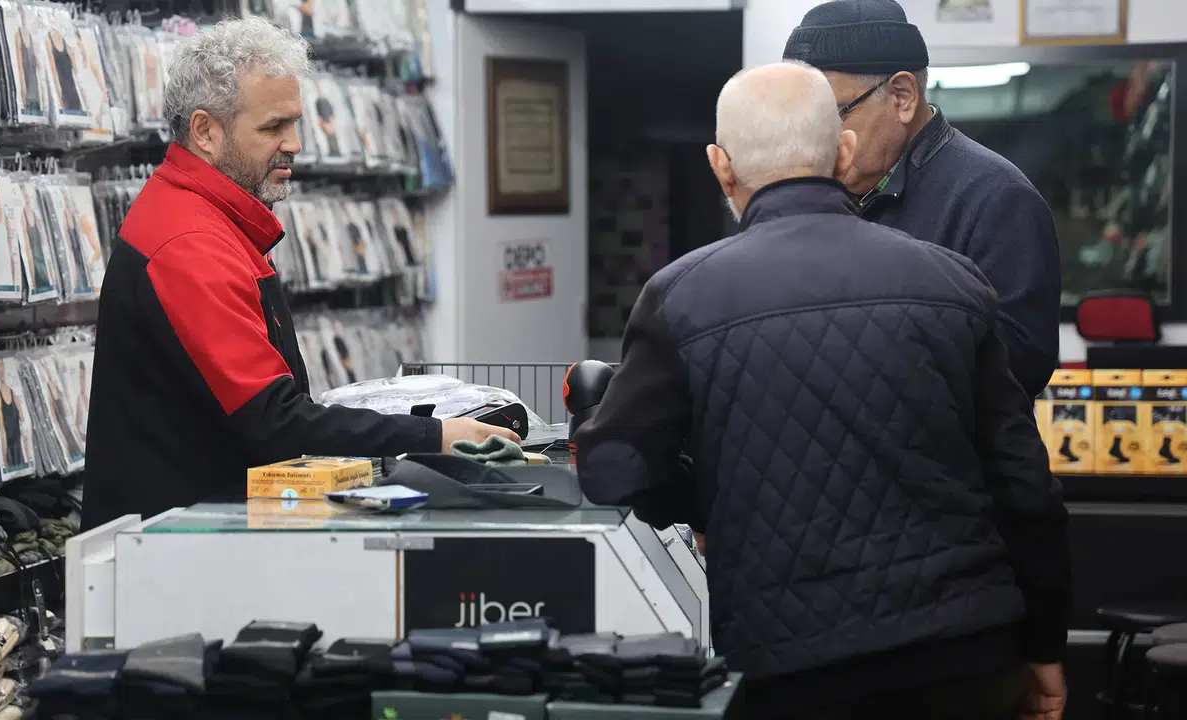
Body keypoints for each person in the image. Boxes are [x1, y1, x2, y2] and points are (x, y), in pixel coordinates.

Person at [573, 62, 1071, 720]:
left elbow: (611, 470)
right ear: (842, 151)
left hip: (795, 669)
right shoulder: (955, 281)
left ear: (722, 166)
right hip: (969, 652)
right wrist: (1044, 645)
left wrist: (706, 501)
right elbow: (1024, 485)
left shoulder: (680, 297)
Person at [82, 17, 514, 530]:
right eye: (272, 127)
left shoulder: (205, 223)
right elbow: (273, 422)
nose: (295, 144)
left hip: (189, 533)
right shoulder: (190, 244)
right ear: (205, 131)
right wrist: (433, 437)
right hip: (176, 543)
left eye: (294, 123)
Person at [782, 0, 1060, 399]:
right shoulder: (820, 191)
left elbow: (1021, 366)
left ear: (902, 96)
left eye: (832, 116)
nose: (817, 141)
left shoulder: (996, 200)